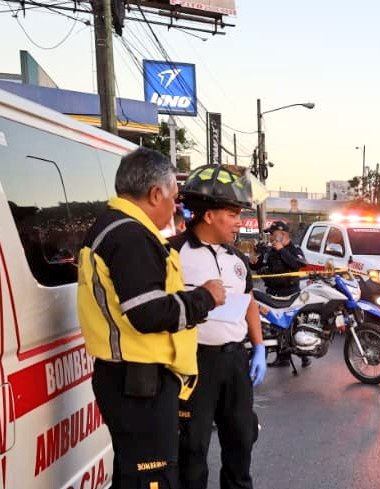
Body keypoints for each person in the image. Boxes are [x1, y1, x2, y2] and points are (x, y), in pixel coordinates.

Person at [77, 148, 225, 489]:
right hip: (138, 381)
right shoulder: (130, 237)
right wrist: (205, 297)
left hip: (133, 378)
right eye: (173, 198)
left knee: (138, 473)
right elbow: (147, 312)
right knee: (151, 477)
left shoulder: (114, 228)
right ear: (155, 193)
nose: (176, 207)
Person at [172, 165, 267, 489]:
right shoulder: (172, 253)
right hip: (193, 365)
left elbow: (249, 301)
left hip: (234, 361)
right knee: (192, 450)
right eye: (233, 213)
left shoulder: (236, 259)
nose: (239, 222)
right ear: (209, 215)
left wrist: (258, 347)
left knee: (242, 441)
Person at [249, 220, 308, 367]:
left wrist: (282, 250)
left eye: (272, 234)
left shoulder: (294, 249)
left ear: (282, 235)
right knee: (276, 326)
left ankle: (304, 354)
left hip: (290, 293)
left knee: (295, 324)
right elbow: (258, 265)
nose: (270, 237)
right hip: (273, 293)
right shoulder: (270, 251)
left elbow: (297, 264)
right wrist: (253, 261)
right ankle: (282, 357)